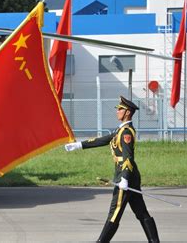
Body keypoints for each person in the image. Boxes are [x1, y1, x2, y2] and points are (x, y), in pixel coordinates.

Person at [65, 96, 159, 243]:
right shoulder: (120, 130)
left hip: (125, 175)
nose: (117, 111)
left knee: (115, 212)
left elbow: (128, 157)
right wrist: (79, 145)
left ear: (127, 112)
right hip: (129, 176)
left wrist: (124, 178)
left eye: (120, 109)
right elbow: (103, 139)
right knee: (141, 212)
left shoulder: (126, 132)